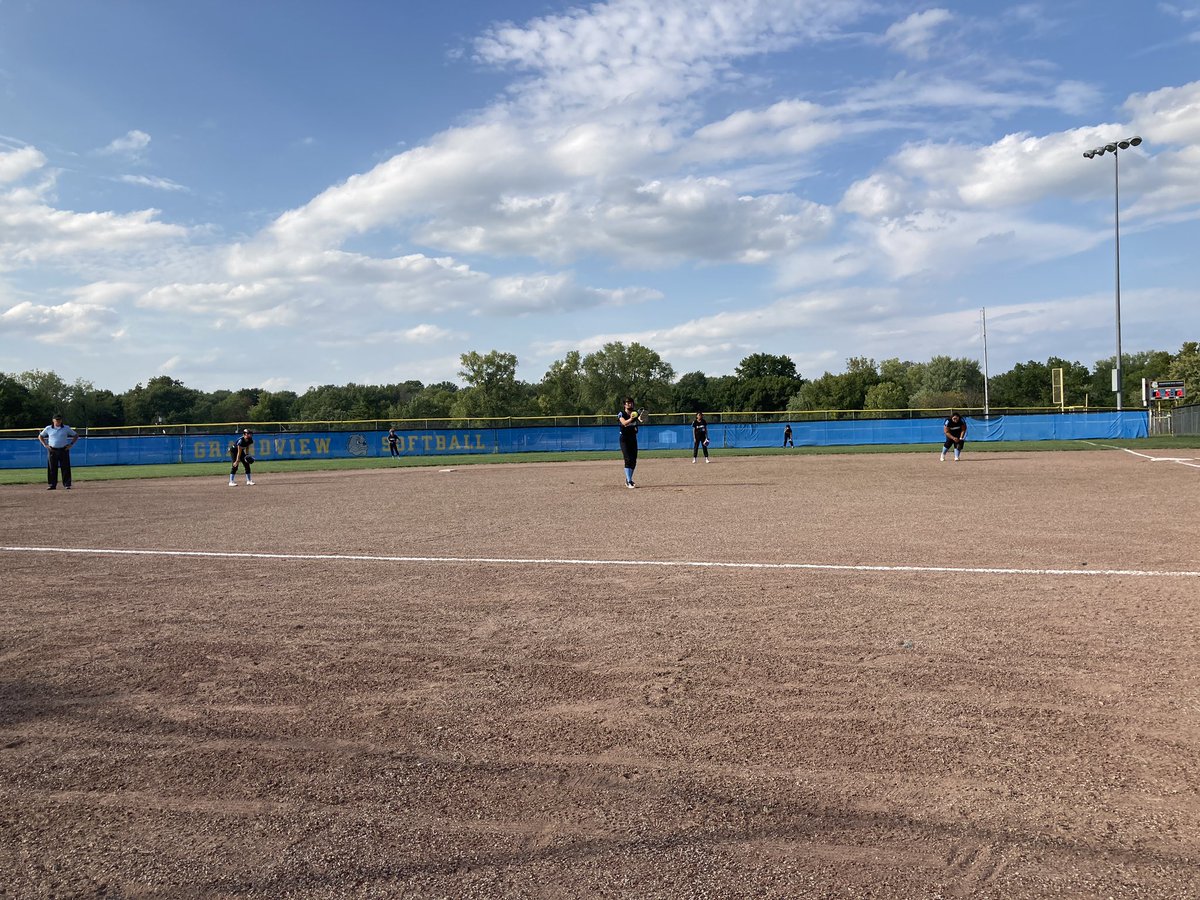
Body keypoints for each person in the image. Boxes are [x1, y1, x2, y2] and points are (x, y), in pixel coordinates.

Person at [38, 413, 78, 490]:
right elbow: (40, 436)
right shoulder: (48, 428)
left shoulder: (66, 428)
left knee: (65, 467)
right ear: (53, 420)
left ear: (61, 420)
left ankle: (67, 484)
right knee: (52, 468)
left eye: (59, 420)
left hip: (63, 449)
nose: (58, 421)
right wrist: (45, 445)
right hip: (52, 450)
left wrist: (71, 444)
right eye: (56, 420)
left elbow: (76, 435)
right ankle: (52, 485)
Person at [617, 397, 640, 488]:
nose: (630, 404)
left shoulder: (635, 413)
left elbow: (641, 419)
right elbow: (624, 423)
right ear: (624, 405)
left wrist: (641, 417)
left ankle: (628, 479)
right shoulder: (621, 413)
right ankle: (629, 481)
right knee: (628, 459)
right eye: (628, 403)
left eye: (631, 403)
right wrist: (631, 418)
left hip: (633, 438)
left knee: (633, 460)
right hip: (624, 439)